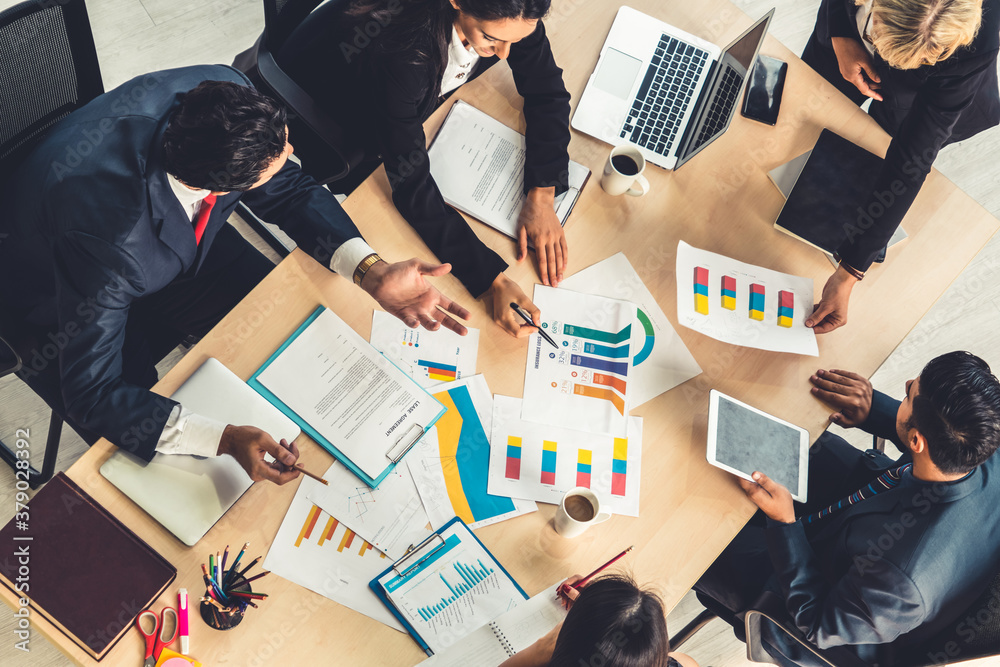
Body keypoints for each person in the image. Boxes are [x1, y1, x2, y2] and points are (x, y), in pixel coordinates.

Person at [0, 65, 470, 484]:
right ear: (214, 186)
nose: (290, 153)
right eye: (274, 164)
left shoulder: (226, 93)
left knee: (284, 331)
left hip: (166, 245)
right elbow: (94, 394)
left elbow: (289, 191)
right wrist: (221, 438)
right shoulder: (110, 241)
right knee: (163, 461)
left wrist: (372, 271)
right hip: (52, 299)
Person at [237, 0, 572, 338]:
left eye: (515, 40)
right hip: (334, 115)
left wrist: (542, 194)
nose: (504, 54)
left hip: (406, 106)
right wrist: (491, 280)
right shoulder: (401, 53)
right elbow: (410, 185)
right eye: (491, 40)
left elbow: (548, 92)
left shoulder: (512, 16)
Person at [695, 351, 1000, 666]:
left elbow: (816, 623)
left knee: (695, 532)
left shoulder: (902, 584)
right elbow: (939, 439)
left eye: (909, 395)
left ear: (917, 440)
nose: (907, 384)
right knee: (773, 438)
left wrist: (785, 524)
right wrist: (875, 412)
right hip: (867, 500)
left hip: (808, 590)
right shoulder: (982, 436)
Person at [801, 0, 1000, 334]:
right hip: (845, 37)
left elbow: (912, 156)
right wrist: (841, 33)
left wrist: (850, 271)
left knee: (875, 152)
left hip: (921, 97)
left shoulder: (980, 35)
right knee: (804, 115)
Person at [501, 574, 700, 667]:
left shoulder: (551, 652)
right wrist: (592, 608)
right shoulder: (681, 663)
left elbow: (541, 650)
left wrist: (551, 640)